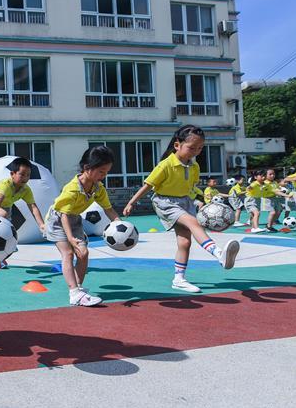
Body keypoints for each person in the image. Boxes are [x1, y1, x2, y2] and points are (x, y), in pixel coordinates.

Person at [123, 124, 239, 294]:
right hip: (166, 202)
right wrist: (131, 202)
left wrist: (201, 200)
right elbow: (148, 186)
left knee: (185, 242)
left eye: (200, 148)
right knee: (194, 223)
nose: (196, 151)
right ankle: (218, 253)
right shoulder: (165, 165)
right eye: (192, 148)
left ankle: (179, 279)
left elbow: (191, 188)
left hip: (185, 202)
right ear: (177, 145)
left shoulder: (194, 166)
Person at [44, 146, 120, 306]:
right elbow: (63, 215)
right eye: (101, 171)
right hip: (58, 220)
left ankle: (77, 289)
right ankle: (74, 292)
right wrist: (71, 238)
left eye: (106, 171)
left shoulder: (98, 189)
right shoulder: (72, 189)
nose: (104, 175)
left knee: (83, 254)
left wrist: (119, 224)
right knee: (68, 254)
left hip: (74, 219)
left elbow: (109, 209)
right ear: (87, 168)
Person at [0, 157, 46, 269]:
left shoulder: (26, 190)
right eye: (22, 174)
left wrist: (41, 224)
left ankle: (0, 257)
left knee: (6, 232)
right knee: (1, 221)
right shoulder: (5, 185)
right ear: (12, 174)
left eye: (28, 175)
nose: (25, 178)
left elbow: (33, 207)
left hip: (6, 208)